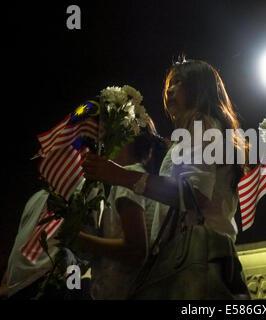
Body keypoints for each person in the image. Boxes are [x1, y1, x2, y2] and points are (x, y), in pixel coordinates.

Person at [82, 58, 249, 299]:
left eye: (178, 82)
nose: (169, 89)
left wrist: (122, 176)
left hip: (198, 257)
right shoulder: (198, 130)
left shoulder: (200, 122)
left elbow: (195, 195)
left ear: (199, 87)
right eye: (169, 84)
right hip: (197, 256)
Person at [76, 118, 167, 300]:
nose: (103, 145)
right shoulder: (139, 178)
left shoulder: (126, 178)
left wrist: (81, 239)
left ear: (123, 138)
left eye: (108, 137)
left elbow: (135, 250)